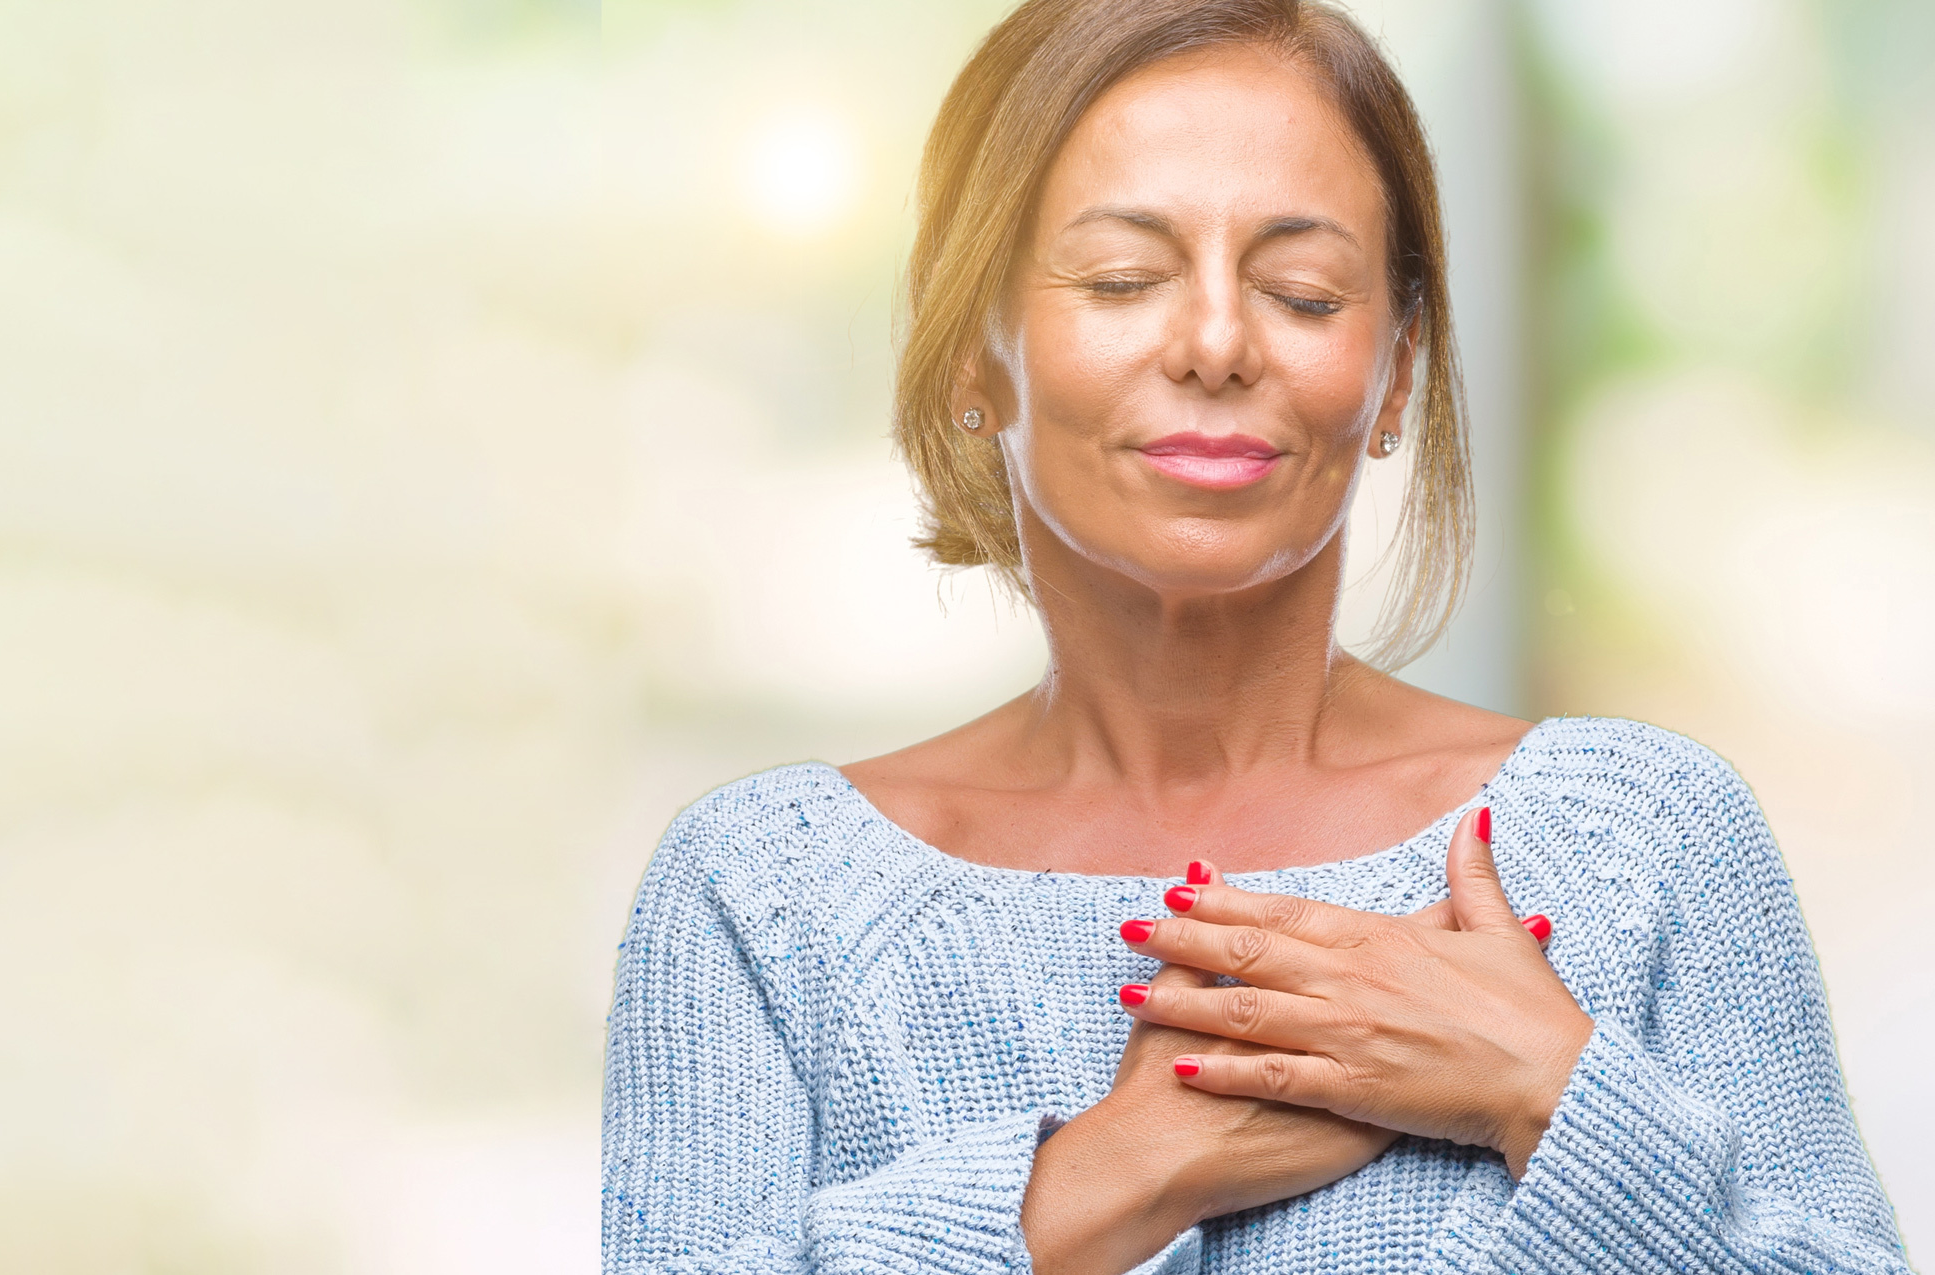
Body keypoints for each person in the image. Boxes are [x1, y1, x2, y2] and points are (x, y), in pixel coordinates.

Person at [600, 0, 1911, 1271]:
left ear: (1397, 370)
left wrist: (1550, 1094)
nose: (1218, 342)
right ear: (972, 353)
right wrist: (1118, 1173)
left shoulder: (1643, 841)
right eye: (1123, 278)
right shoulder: (765, 899)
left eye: (1303, 292)